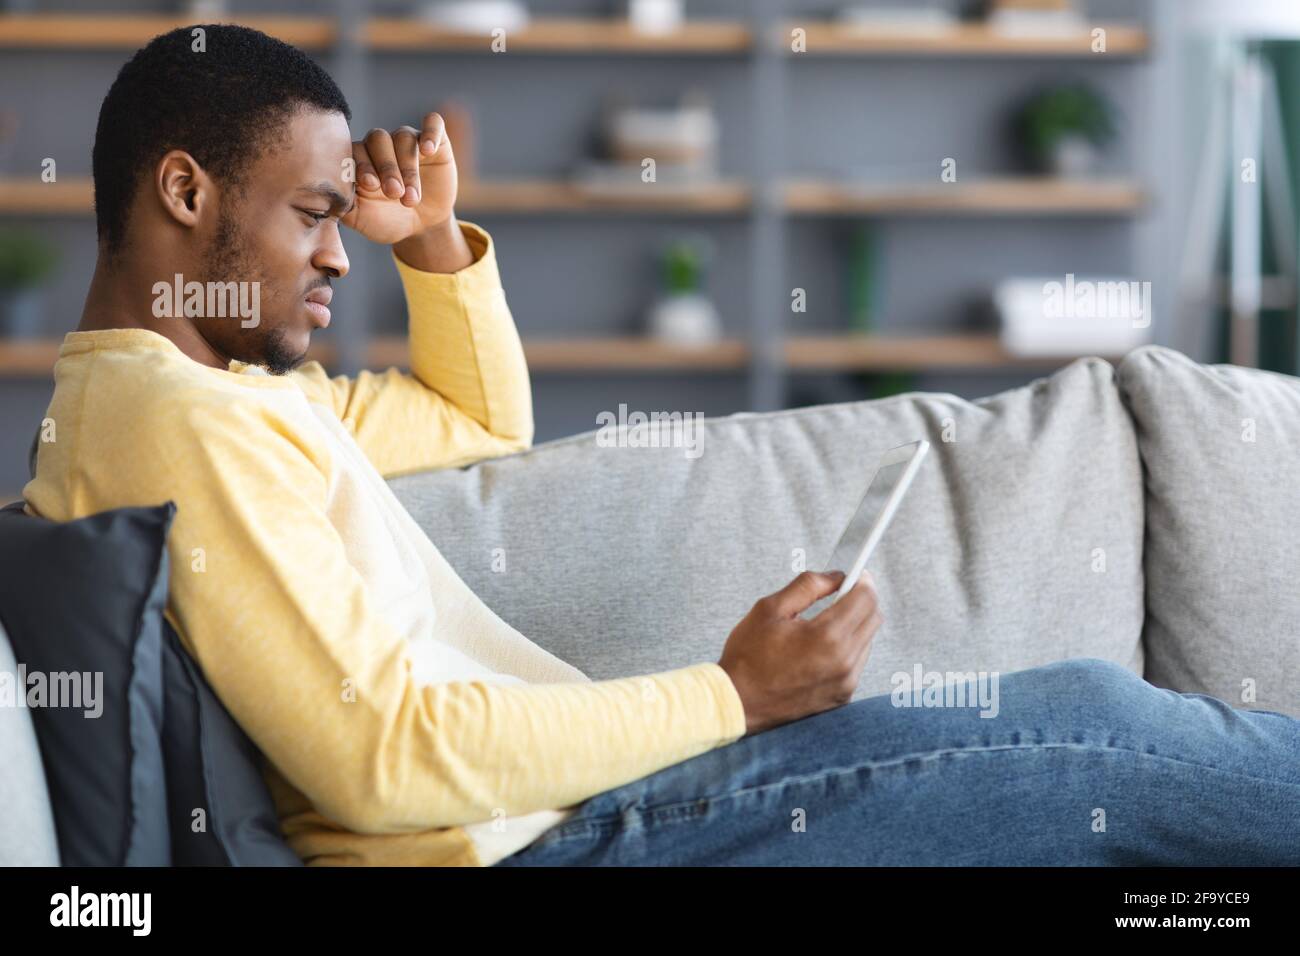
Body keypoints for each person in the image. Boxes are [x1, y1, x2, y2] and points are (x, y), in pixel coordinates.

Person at [24, 25, 1299, 868]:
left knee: (1096, 724)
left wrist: (435, 249)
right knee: (1092, 726)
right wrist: (738, 693)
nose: (335, 251)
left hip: (570, 824)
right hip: (544, 849)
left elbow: (480, 426)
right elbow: (382, 756)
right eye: (312, 213)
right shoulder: (182, 420)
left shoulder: (204, 398)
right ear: (186, 193)